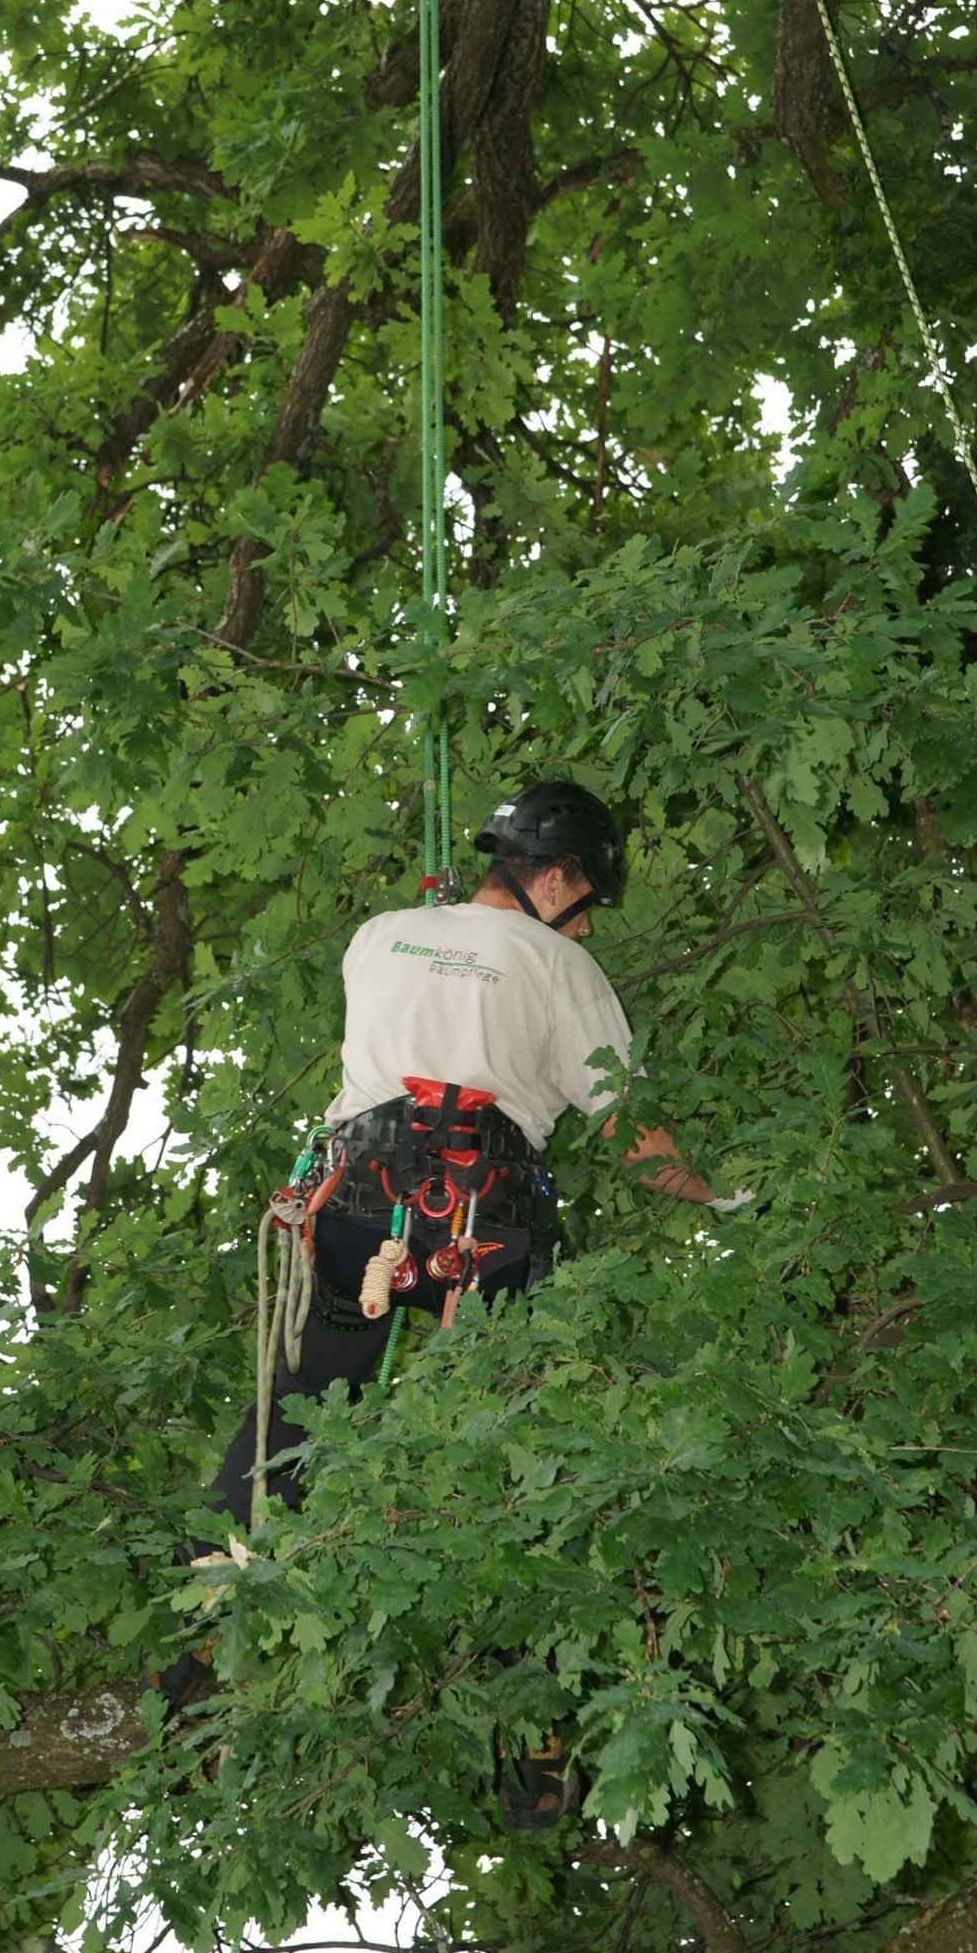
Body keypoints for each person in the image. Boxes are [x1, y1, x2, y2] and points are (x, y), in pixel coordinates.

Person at [173, 779, 748, 1826]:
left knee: (304, 1399)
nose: (586, 926)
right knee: (508, 1438)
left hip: (356, 1211)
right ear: (559, 877)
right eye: (586, 903)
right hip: (478, 1219)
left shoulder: (378, 935)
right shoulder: (561, 963)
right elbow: (631, 1129)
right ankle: (532, 1724)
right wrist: (723, 1199)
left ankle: (202, 1620)